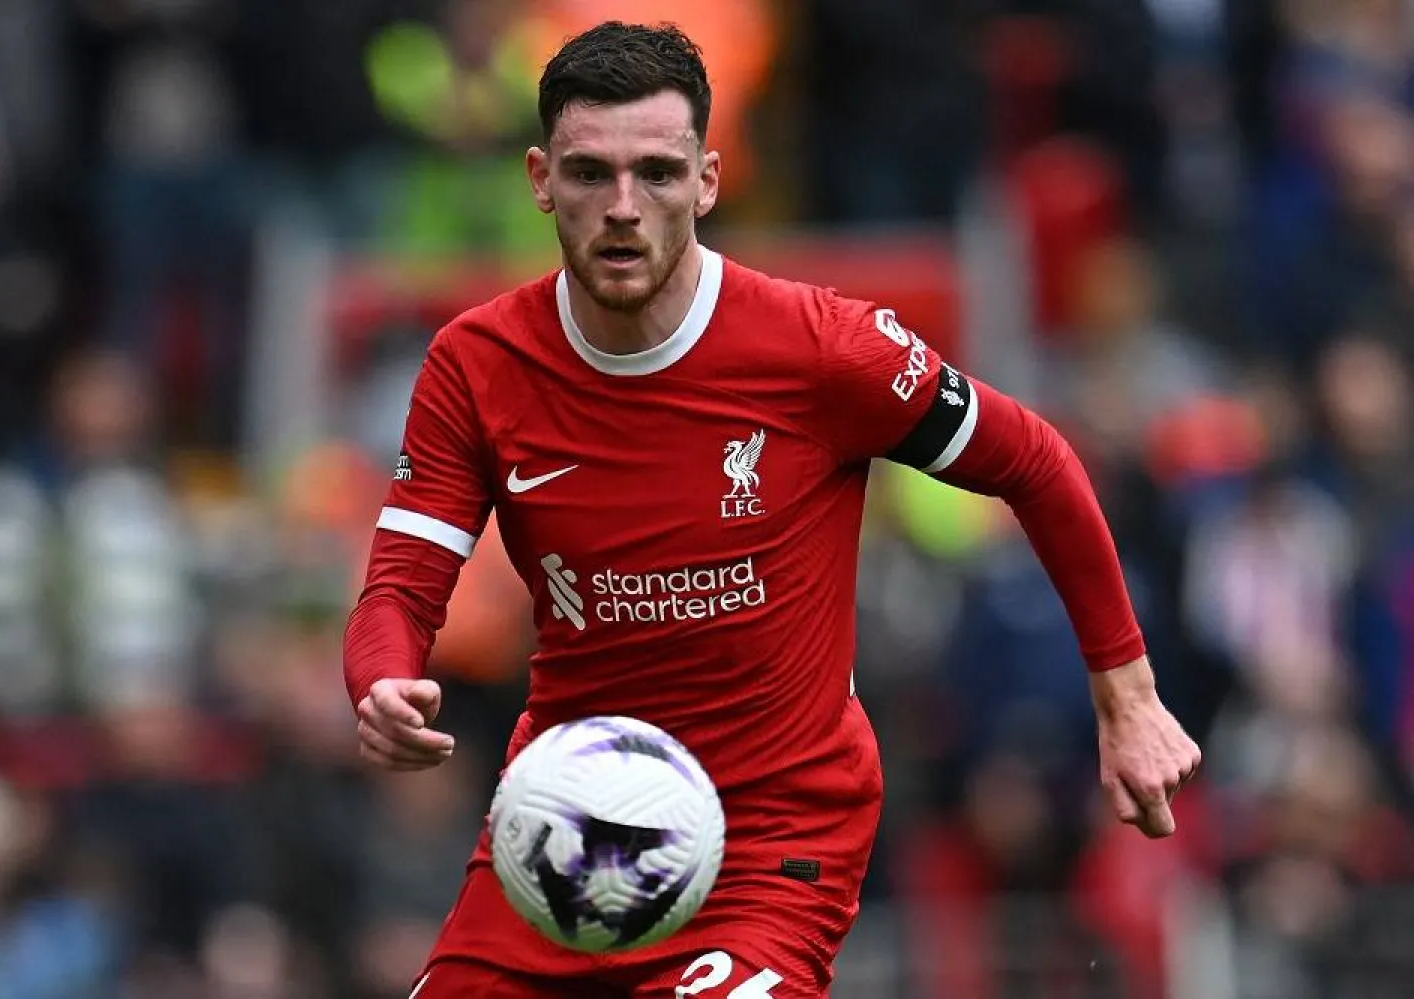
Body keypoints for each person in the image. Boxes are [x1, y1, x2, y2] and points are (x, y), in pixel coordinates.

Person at [342, 21, 1201, 999]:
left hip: (771, 832)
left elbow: (1037, 464)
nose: (624, 208)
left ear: (708, 180)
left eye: (658, 174)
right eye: (591, 174)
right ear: (541, 179)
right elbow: (402, 583)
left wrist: (1126, 698)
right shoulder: (479, 363)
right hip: (568, 814)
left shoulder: (821, 351)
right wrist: (381, 678)